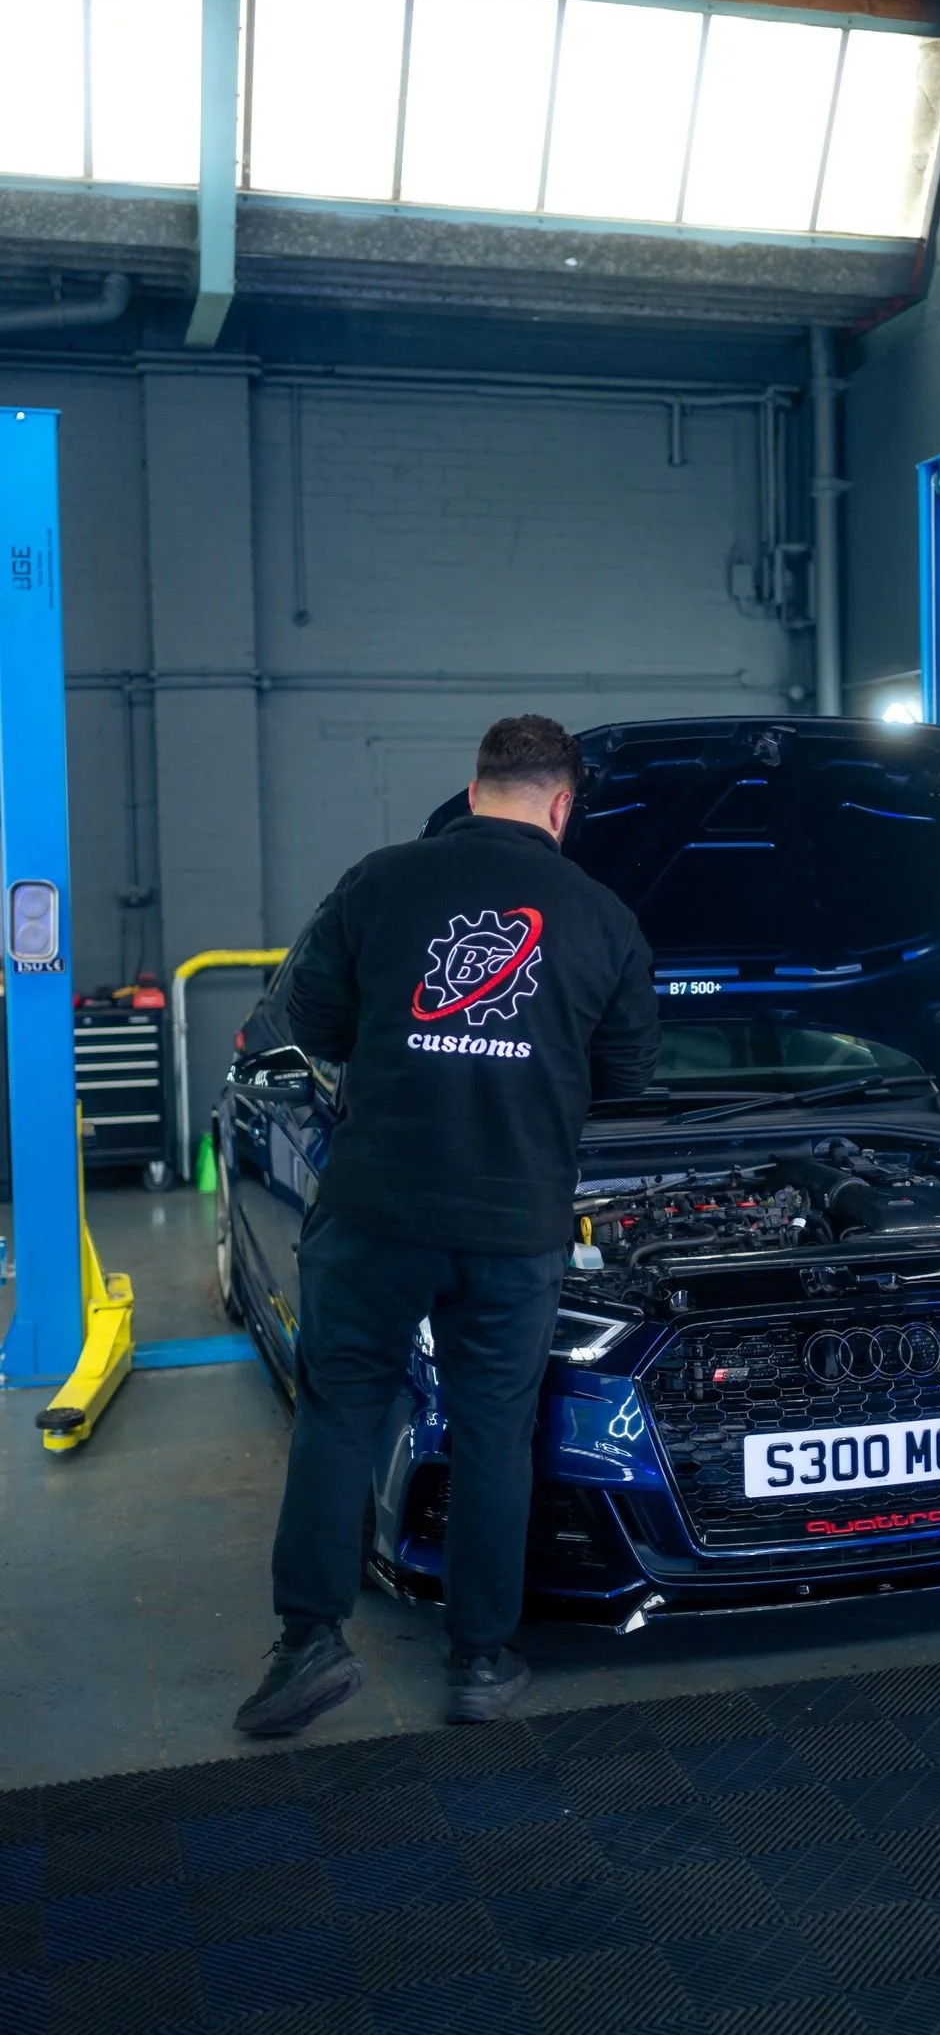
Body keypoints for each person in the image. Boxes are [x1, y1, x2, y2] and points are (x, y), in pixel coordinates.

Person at [234, 715, 660, 1735]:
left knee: (337, 1412)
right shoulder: (604, 917)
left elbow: (312, 1022)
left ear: (474, 792)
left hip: (377, 1208)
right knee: (492, 1434)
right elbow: (627, 1078)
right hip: (514, 1223)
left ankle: (308, 1644)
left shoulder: (380, 882)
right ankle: (476, 1661)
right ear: (563, 805)